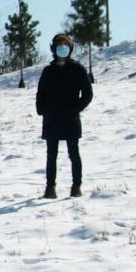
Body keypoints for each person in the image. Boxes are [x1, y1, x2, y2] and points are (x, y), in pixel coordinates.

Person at [35, 33, 92, 198]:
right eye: (59, 44)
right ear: (53, 48)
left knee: (73, 153)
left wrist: (76, 109)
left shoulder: (78, 69)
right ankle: (50, 188)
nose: (62, 47)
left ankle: (76, 186)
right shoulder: (48, 71)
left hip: (70, 119)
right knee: (51, 155)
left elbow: (88, 94)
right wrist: (42, 109)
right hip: (51, 119)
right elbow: (41, 93)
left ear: (70, 48)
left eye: (65, 44)